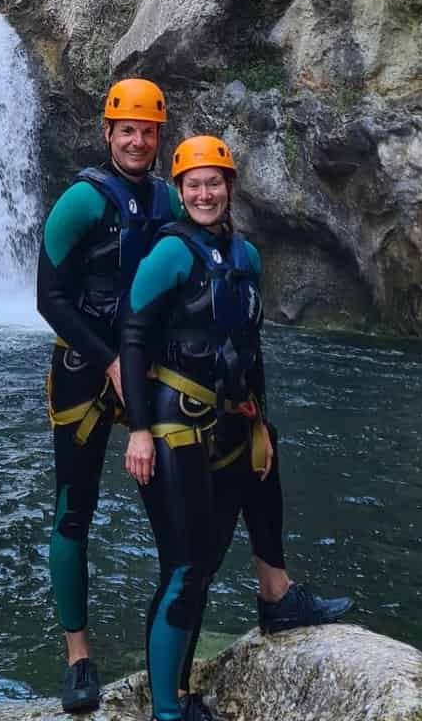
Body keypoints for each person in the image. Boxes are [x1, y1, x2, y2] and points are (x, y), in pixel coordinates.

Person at [121, 135, 351, 721]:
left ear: (230, 188)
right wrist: (138, 430)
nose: (204, 193)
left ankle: (276, 599)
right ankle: (167, 710)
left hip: (228, 421)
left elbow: (251, 348)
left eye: (214, 182)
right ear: (179, 192)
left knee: (220, 540)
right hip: (175, 427)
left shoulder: (246, 258)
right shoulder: (169, 254)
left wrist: (262, 424)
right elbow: (133, 338)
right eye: (193, 185)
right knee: (185, 563)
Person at [37, 77, 178, 714]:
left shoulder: (173, 203)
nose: (138, 140)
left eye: (148, 131)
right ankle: (79, 659)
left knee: (174, 517)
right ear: (109, 133)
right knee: (75, 510)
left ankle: (168, 653)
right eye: (128, 129)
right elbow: (50, 298)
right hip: (85, 373)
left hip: (150, 373)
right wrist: (108, 359)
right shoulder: (80, 202)